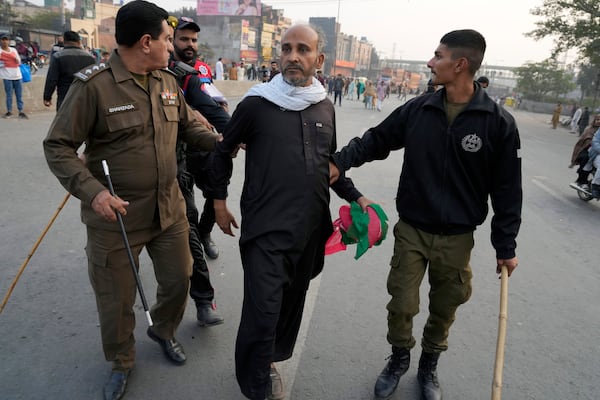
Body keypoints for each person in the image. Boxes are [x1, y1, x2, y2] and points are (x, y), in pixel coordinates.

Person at [330, 29, 522, 400]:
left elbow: (508, 191)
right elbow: (376, 139)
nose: (430, 62)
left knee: (444, 307)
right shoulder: (419, 109)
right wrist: (339, 162)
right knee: (401, 302)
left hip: (457, 237)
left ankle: (428, 364)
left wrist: (506, 245)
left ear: (460, 64)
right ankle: (399, 357)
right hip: (413, 230)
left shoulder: (498, 123)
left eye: (438, 56)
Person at [42, 2, 220, 400]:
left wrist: (225, 140)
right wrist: (94, 192)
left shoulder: (167, 81)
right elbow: (58, 147)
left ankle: (163, 330)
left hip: (168, 209)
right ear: (145, 42)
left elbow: (191, 127)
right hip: (115, 217)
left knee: (179, 278)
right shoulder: (93, 86)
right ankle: (122, 361)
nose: (172, 47)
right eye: (167, 39)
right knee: (116, 299)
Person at [211, 24, 366, 400]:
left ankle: (268, 361)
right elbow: (222, 151)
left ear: (319, 58)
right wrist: (218, 201)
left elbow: (327, 164)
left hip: (310, 229)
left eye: (302, 49)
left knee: (290, 303)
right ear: (278, 55)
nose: (293, 56)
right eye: (286, 48)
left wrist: (357, 197)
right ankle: (256, 385)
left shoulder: (324, 106)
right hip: (266, 229)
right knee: (263, 309)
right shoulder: (256, 104)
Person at [170, 15, 227, 326]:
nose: (189, 46)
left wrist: (232, 133)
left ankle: (203, 301)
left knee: (215, 197)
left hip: (198, 152)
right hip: (163, 167)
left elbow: (213, 103)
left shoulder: (195, 73)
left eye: (193, 40)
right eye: (182, 40)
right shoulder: (155, 73)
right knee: (183, 229)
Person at [43, 30, 96, 111]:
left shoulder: (58, 56)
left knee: (64, 122)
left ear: (64, 42)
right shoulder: (90, 58)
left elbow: (52, 79)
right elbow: (96, 79)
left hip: (65, 97)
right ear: (79, 42)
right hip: (86, 98)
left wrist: (47, 97)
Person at [0, 33, 27, 119]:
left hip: (17, 75)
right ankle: (9, 111)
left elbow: (19, 61)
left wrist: (16, 60)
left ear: (8, 41)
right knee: (9, 95)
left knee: (19, 95)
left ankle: (21, 111)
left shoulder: (13, 50)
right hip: (7, 76)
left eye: (6, 39)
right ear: (0, 41)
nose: (5, 41)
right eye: (3, 39)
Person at [570, 114, 600, 187]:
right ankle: (581, 180)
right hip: (586, 149)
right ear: (594, 120)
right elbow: (581, 142)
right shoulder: (589, 129)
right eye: (597, 120)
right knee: (585, 158)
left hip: (596, 151)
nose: (599, 121)